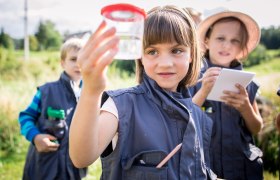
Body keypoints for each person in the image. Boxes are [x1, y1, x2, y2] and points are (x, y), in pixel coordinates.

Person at [69, 5, 217, 179]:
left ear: (191, 54)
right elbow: (81, 157)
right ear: (140, 56)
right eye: (152, 51)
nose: (165, 63)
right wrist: (91, 91)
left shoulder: (196, 114)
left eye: (176, 50)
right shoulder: (121, 106)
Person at [189, 10, 264, 179]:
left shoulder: (248, 84)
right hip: (206, 168)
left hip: (243, 169)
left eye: (234, 41)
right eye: (220, 38)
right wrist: (203, 92)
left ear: (241, 47)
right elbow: (183, 122)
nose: (227, 45)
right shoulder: (193, 80)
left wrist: (245, 108)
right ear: (207, 41)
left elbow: (257, 127)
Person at [18, 38, 87, 180]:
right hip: (44, 167)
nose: (79, 64)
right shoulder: (46, 92)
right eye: (73, 59)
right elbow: (25, 117)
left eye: (83, 59)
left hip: (73, 170)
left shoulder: (90, 96)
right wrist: (35, 137)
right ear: (63, 63)